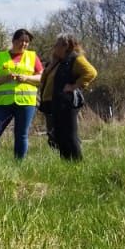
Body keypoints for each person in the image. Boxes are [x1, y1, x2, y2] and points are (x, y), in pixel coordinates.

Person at [0, 29, 41, 159]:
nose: (24, 44)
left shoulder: (32, 57)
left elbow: (41, 78)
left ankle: (19, 164)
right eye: (21, 41)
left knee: (21, 135)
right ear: (14, 41)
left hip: (26, 103)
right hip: (4, 104)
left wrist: (26, 78)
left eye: (27, 42)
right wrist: (4, 78)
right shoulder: (0, 57)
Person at [39, 34, 98, 162]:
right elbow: (42, 80)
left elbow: (91, 72)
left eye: (57, 44)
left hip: (67, 103)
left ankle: (77, 164)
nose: (54, 47)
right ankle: (66, 164)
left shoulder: (75, 59)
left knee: (70, 136)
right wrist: (51, 64)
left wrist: (74, 86)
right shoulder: (57, 62)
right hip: (54, 104)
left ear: (66, 46)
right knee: (58, 137)